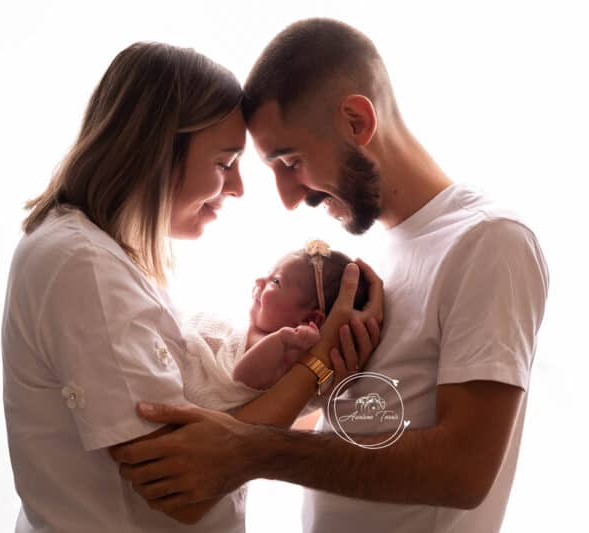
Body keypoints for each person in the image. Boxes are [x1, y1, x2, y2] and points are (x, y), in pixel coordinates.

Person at [114, 18, 550, 533]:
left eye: (290, 161)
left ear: (355, 121)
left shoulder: (488, 242)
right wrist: (304, 377)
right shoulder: (370, 260)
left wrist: (250, 451)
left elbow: (464, 470)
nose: (288, 197)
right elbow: (355, 428)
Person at [1, 41, 384, 533]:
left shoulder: (109, 259)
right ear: (156, 154)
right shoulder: (83, 266)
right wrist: (316, 364)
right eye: (225, 163)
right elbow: (182, 491)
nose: (238, 187)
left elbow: (215, 425)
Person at [179, 240, 370, 410]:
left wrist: (282, 341)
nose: (260, 280)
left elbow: (244, 377)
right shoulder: (251, 329)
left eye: (276, 281)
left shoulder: (287, 354)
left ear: (311, 319)